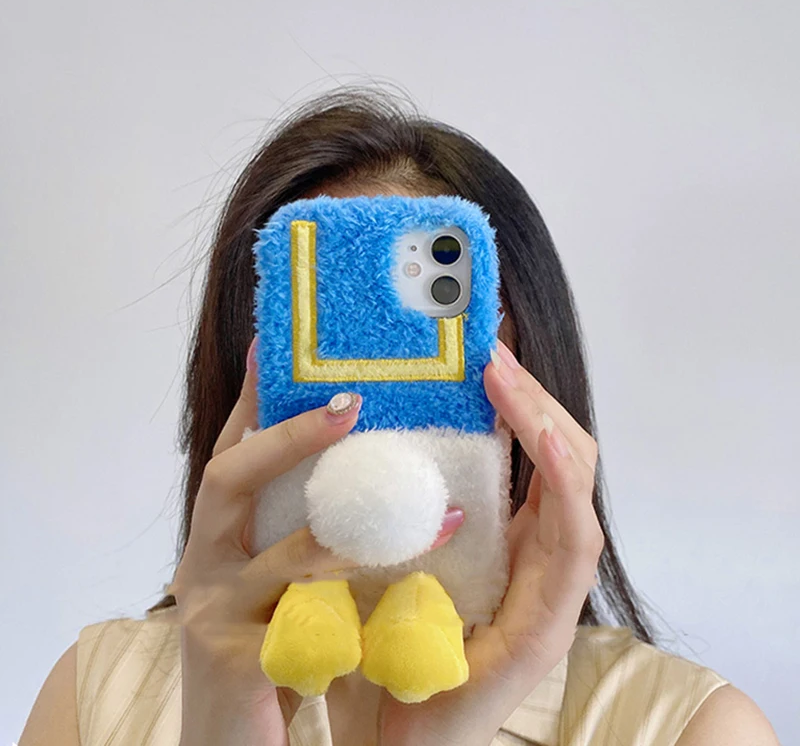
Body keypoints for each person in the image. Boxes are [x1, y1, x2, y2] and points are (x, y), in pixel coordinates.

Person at [19, 87, 779, 746]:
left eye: (417, 344)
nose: (371, 403)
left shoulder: (687, 728)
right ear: (247, 364)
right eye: (330, 332)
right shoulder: (97, 696)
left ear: (524, 370)